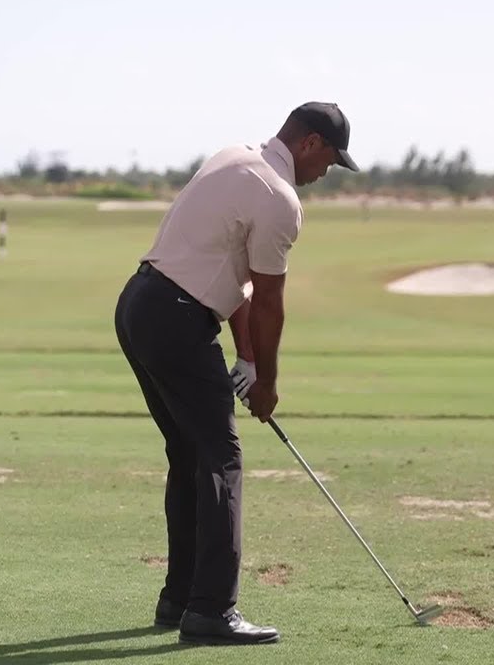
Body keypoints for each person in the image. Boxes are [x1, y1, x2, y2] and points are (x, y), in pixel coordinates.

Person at [113, 102, 359, 646]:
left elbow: (238, 284)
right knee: (222, 459)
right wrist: (268, 384)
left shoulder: (234, 157)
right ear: (310, 143)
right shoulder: (281, 198)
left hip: (139, 304)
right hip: (177, 318)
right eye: (329, 162)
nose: (324, 174)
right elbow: (270, 301)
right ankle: (211, 611)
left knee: (191, 455)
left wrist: (247, 361)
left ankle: (179, 599)